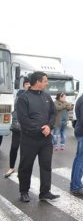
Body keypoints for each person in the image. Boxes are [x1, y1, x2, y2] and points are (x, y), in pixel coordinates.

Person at [16, 72, 59, 203]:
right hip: (29, 139)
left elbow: (53, 114)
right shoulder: (24, 98)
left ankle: (45, 192)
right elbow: (23, 120)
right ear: (38, 82)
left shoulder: (47, 97)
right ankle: (24, 191)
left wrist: (49, 127)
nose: (47, 83)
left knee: (46, 165)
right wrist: (41, 129)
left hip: (46, 139)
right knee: (26, 165)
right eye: (45, 81)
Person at [4, 77, 30, 178]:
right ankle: (11, 167)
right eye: (26, 84)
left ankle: (21, 170)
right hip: (18, 126)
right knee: (14, 147)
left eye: (29, 84)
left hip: (27, 127)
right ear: (23, 85)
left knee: (25, 150)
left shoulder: (33, 95)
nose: (28, 85)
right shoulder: (19, 94)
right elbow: (16, 110)